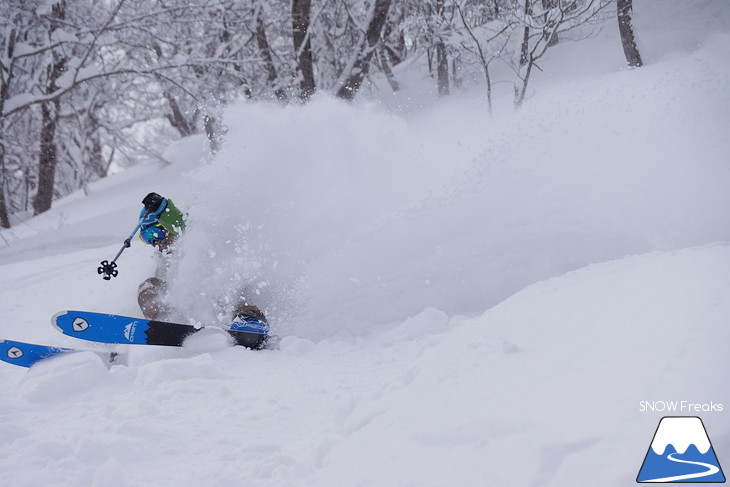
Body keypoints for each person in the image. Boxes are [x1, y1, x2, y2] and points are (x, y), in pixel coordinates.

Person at [135, 192, 266, 325]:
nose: (155, 243)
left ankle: (248, 322)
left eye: (155, 233)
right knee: (148, 285)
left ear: (168, 227)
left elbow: (180, 224)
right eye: (147, 238)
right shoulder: (163, 262)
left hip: (223, 293)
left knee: (227, 287)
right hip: (188, 309)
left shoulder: (194, 237)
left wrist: (162, 210)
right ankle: (162, 323)